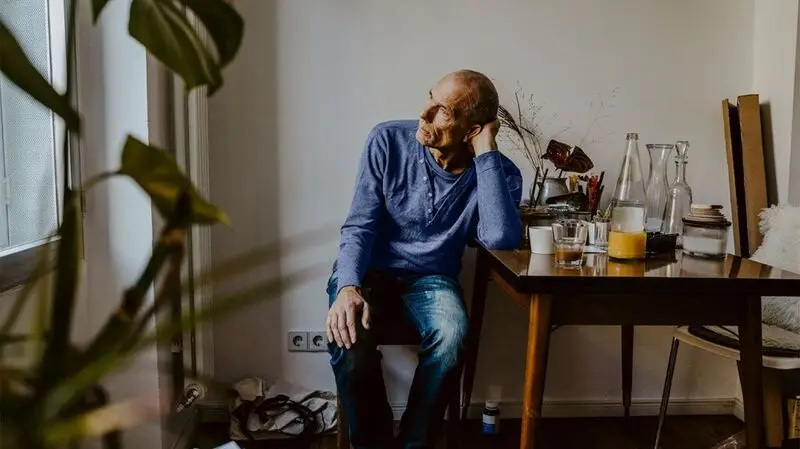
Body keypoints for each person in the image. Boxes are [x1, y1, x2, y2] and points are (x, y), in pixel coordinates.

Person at [325, 69, 522, 449]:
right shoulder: (387, 140)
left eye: (442, 111)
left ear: (472, 129)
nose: (424, 113)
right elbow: (359, 226)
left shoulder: (499, 173)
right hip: (368, 271)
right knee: (348, 340)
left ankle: (415, 444)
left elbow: (499, 238)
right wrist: (347, 285)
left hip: (432, 280)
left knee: (452, 336)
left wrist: (486, 152)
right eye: (429, 98)